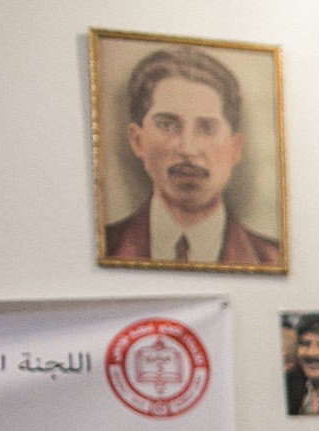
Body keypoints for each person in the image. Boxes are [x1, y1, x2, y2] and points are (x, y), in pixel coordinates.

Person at [102, 46, 281, 266]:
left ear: (235, 148)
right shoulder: (105, 246)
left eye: (207, 128)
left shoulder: (272, 258)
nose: (188, 148)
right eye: (167, 125)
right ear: (137, 141)